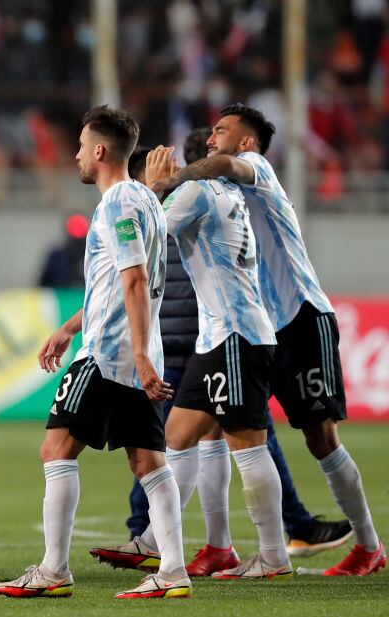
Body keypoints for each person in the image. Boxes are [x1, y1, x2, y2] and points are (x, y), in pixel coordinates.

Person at [150, 104, 384, 576]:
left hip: (300, 317)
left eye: (222, 131)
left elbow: (220, 164)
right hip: (258, 326)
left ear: (247, 142)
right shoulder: (217, 194)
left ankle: (368, 544)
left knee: (321, 439)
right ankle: (224, 545)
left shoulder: (255, 168)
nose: (211, 138)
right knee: (221, 424)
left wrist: (171, 180)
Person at [107, 132, 351, 577]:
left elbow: (143, 242)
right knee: (178, 436)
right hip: (220, 337)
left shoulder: (196, 194)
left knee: (248, 445)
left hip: (234, 336)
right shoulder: (222, 191)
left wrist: (153, 189)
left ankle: (273, 556)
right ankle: (156, 540)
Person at [0, 105, 189, 600]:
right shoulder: (145, 200)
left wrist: (138, 355)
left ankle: (54, 569)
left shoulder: (118, 203)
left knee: (56, 449)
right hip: (134, 351)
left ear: (100, 151)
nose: (76, 154)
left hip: (108, 355)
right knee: (148, 462)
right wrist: (66, 327)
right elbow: (113, 283)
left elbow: (135, 280)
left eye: (81, 146)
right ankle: (173, 572)